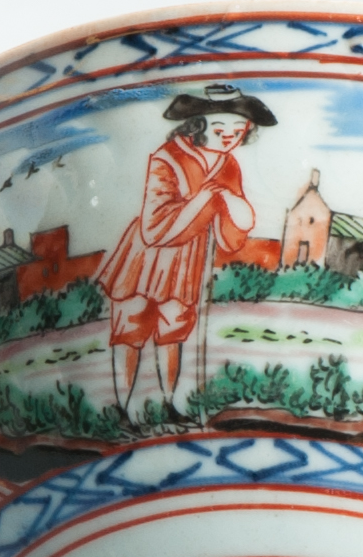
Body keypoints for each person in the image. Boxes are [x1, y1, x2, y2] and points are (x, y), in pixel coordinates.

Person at [97, 84, 276, 416]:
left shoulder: (228, 166)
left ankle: (170, 402)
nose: (229, 137)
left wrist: (230, 203)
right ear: (198, 125)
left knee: (174, 327)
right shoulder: (166, 158)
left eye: (238, 130)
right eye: (220, 129)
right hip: (146, 254)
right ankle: (122, 407)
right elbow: (153, 226)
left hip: (187, 258)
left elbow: (232, 231)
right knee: (132, 324)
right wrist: (205, 199)